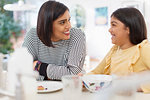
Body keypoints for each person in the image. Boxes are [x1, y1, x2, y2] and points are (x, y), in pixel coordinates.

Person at [86, 7, 150, 93]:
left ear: (128, 29)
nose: (109, 30)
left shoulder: (143, 49)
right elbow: (96, 73)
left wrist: (134, 85)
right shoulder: (114, 50)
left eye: (114, 25)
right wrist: (83, 79)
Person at [22, 0, 86, 80]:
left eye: (69, 20)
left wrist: (40, 67)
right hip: (40, 89)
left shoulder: (77, 35)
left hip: (69, 88)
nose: (69, 26)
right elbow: (23, 65)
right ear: (47, 25)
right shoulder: (33, 35)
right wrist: (58, 74)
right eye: (62, 22)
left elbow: (73, 73)